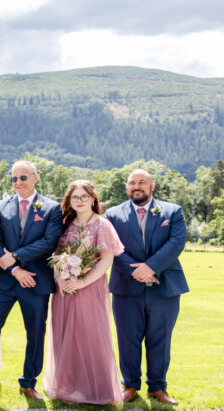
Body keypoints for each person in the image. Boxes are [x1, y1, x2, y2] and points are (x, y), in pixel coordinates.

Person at [0, 160, 63, 402]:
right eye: (14, 179)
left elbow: (49, 241)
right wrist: (15, 269)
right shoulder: (0, 207)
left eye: (23, 178)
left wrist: (15, 257)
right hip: (4, 281)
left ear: (35, 178)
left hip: (36, 281)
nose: (18, 183)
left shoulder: (52, 208)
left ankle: (28, 382)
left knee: (35, 332)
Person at [106, 169, 188, 406]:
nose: (136, 186)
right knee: (127, 338)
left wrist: (151, 267)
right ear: (127, 187)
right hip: (126, 286)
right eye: (132, 183)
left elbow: (176, 243)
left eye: (142, 182)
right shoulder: (112, 214)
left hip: (164, 287)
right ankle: (130, 385)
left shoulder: (172, 211)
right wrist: (135, 271)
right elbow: (112, 247)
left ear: (152, 186)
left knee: (160, 339)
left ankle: (158, 387)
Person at [43, 180, 124, 405]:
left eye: (84, 196)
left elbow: (107, 259)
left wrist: (83, 282)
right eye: (74, 197)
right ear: (68, 201)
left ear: (93, 198)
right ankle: (68, 386)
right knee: (64, 336)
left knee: (89, 336)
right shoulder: (64, 225)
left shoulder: (102, 225)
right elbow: (56, 255)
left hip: (90, 289)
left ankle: (95, 389)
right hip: (64, 290)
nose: (79, 201)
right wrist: (61, 279)